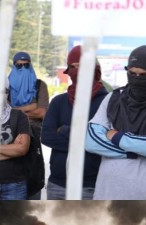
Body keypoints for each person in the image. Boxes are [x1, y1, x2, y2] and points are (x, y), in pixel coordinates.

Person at [85, 45, 146, 200]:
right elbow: (91, 141)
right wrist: (142, 146)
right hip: (107, 196)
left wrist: (116, 136)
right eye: (132, 73)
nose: (137, 79)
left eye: (144, 75)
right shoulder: (113, 99)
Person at [41, 45, 108, 200]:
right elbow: (46, 136)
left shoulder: (107, 102)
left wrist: (64, 130)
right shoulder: (59, 102)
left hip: (91, 185)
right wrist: (87, 140)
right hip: (58, 184)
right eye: (73, 67)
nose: (77, 71)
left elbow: (105, 139)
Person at [8, 51, 49, 200]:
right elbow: (2, 110)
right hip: (10, 136)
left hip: (34, 137)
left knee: (33, 176)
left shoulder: (39, 85)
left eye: (26, 65)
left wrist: (14, 111)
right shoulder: (7, 85)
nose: (23, 69)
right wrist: (31, 106)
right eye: (19, 66)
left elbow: (43, 112)